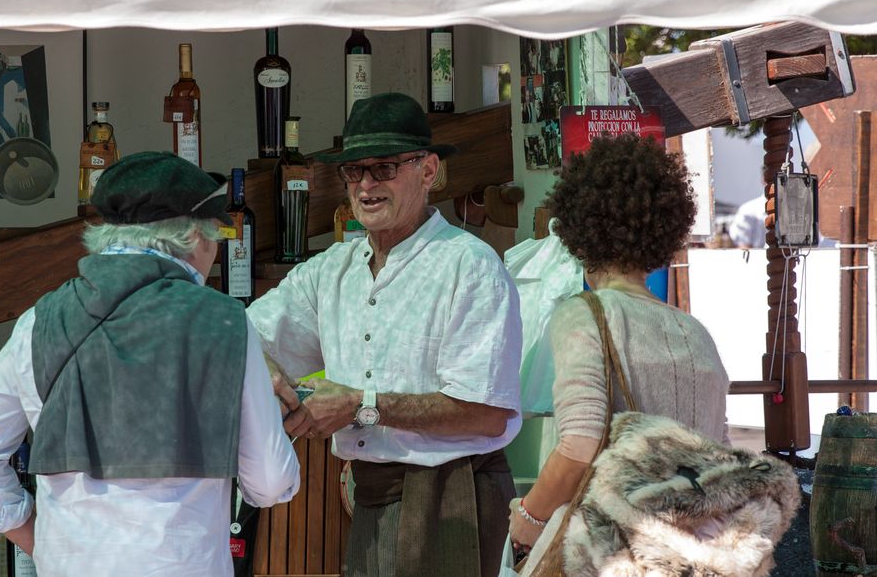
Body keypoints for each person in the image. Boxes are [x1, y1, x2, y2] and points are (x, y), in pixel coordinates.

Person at [0, 151, 300, 576]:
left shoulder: (40, 320)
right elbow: (270, 480)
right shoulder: (224, 321)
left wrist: (38, 537)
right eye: (218, 232)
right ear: (192, 235)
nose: (218, 248)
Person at [247, 92, 523, 577]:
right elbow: (243, 336)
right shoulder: (332, 271)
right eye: (354, 171)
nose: (367, 185)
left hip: (450, 491)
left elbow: (487, 414)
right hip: (369, 489)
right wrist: (267, 371)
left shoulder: (470, 266)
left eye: (385, 168)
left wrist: (360, 403)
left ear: (429, 170)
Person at [508, 135, 730, 566]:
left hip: (612, 554)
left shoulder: (584, 314)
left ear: (578, 230)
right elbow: (718, 452)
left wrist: (529, 519)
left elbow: (579, 444)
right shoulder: (696, 332)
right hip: (691, 553)